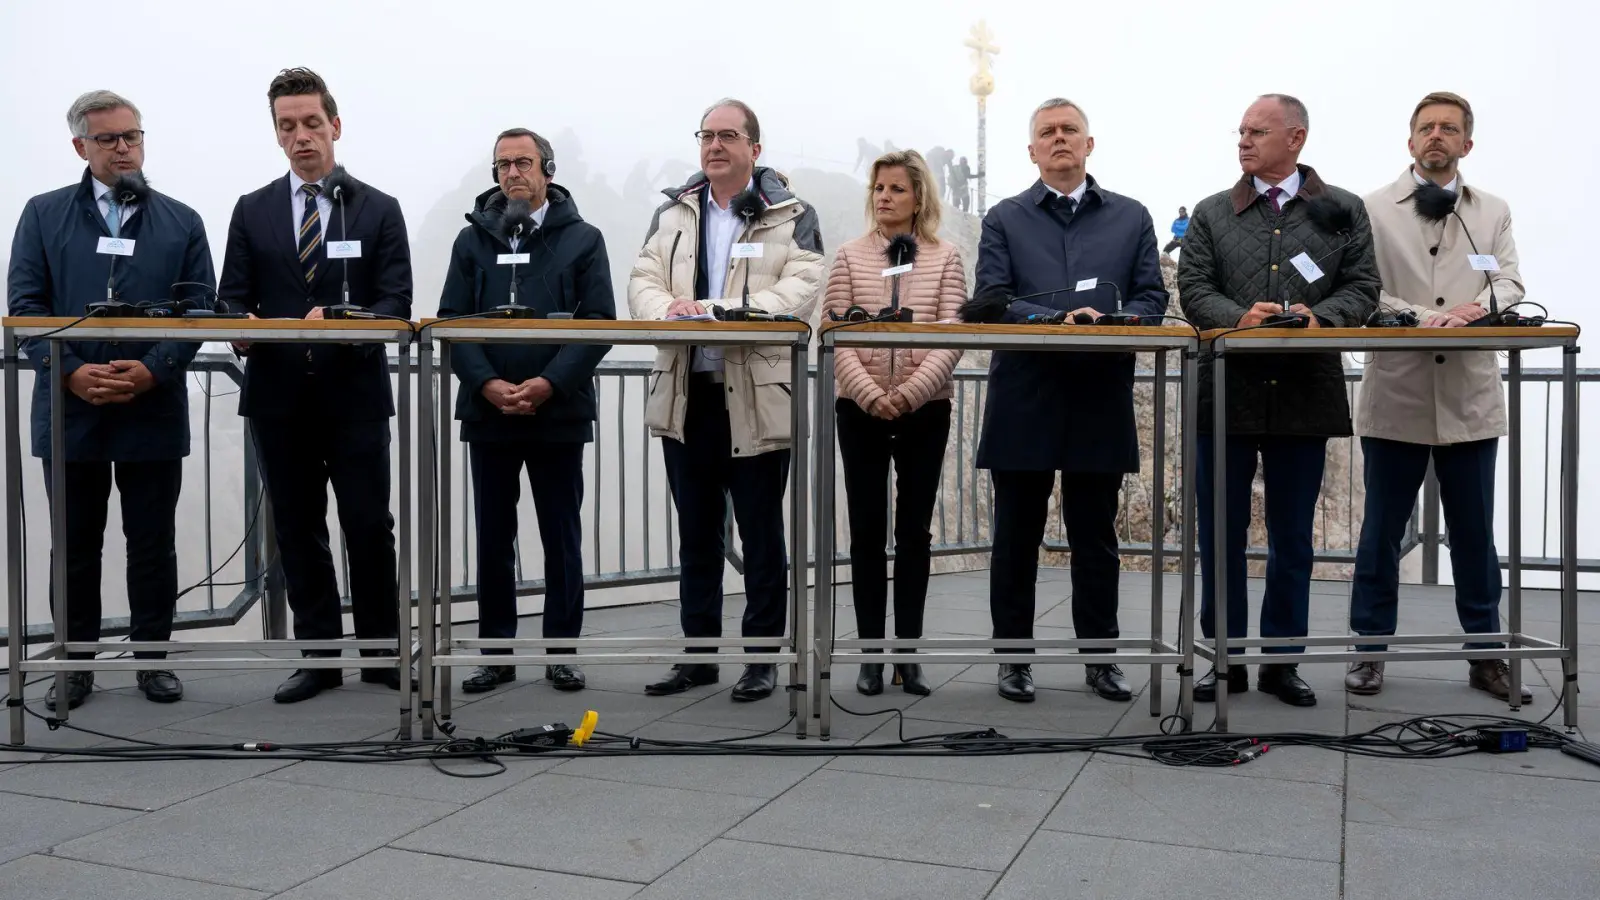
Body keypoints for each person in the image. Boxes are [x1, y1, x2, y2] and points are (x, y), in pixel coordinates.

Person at [7, 90, 214, 710]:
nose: (124, 148)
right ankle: (74, 665)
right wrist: (69, 372)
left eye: (133, 136)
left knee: (152, 541)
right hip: (71, 408)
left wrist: (152, 371)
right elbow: (25, 309)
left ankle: (153, 659)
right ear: (80, 146)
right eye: (109, 140)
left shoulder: (182, 220)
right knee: (75, 544)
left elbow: (198, 309)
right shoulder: (43, 215)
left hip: (150, 403)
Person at [1178, 94, 1380, 707]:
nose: (1242, 141)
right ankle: (1226, 660)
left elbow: (1365, 286)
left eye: (1256, 131)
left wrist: (1322, 320)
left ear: (1295, 138)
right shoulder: (1213, 213)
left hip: (1303, 393)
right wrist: (1241, 317)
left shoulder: (1344, 212)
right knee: (1221, 535)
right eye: (1239, 130)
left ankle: (1282, 662)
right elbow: (1193, 288)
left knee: (1294, 536)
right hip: (1225, 393)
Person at [219, 68, 412, 704]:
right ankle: (319, 659)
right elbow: (229, 303)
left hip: (353, 396)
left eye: (311, 123)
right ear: (276, 135)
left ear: (335, 124)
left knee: (367, 524)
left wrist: (340, 321)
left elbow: (395, 304)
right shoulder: (251, 210)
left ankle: (384, 654)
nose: (301, 137)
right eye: (287, 126)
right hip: (278, 398)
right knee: (299, 528)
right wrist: (239, 329)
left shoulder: (377, 208)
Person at [972, 98, 1169, 703]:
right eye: (1046, 133)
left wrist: (1109, 320)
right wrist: (1058, 317)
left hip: (1097, 393)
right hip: (1025, 392)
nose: (1059, 139)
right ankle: (1013, 660)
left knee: (1095, 537)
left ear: (1089, 145)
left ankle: (1101, 659)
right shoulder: (1004, 218)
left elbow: (1151, 299)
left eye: (1069, 131)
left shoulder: (1132, 217)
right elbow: (993, 297)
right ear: (1032, 151)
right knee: (1015, 537)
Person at [628, 98, 824, 701]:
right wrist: (674, 313)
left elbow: (804, 284)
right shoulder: (673, 212)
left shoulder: (790, 212)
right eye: (706, 136)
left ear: (754, 149)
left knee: (762, 532)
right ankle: (699, 656)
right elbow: (642, 279)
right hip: (690, 394)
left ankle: (763, 657)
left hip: (756, 397)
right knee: (697, 532)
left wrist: (721, 314)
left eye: (728, 136)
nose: (715, 146)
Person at [1346, 92, 1530, 701]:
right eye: (1426, 127)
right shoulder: (1371, 208)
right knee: (1380, 534)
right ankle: (1368, 651)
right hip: (1397, 392)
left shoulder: (1492, 210)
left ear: (1466, 144)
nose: (1436, 136)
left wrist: (1479, 308)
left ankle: (1486, 655)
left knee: (1475, 534)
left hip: (1469, 397)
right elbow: (1365, 287)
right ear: (1410, 141)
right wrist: (1422, 317)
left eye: (1449, 129)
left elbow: (1509, 278)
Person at [437, 128, 614, 695]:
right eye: (502, 165)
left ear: (548, 171)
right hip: (488, 413)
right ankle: (497, 654)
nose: (512, 173)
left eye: (523, 163)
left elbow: (599, 323)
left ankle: (562, 651)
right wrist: (487, 383)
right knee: (493, 534)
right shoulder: (472, 243)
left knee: (560, 533)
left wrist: (548, 382)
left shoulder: (583, 239)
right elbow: (451, 321)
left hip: (557, 411)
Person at [822, 150, 966, 697]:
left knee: (914, 534)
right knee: (864, 532)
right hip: (858, 411)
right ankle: (870, 656)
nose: (885, 197)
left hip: (925, 409)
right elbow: (834, 335)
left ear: (918, 197)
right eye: (879, 188)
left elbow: (951, 334)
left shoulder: (945, 257)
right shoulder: (848, 256)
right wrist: (868, 394)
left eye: (897, 189)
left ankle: (908, 653)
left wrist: (906, 394)